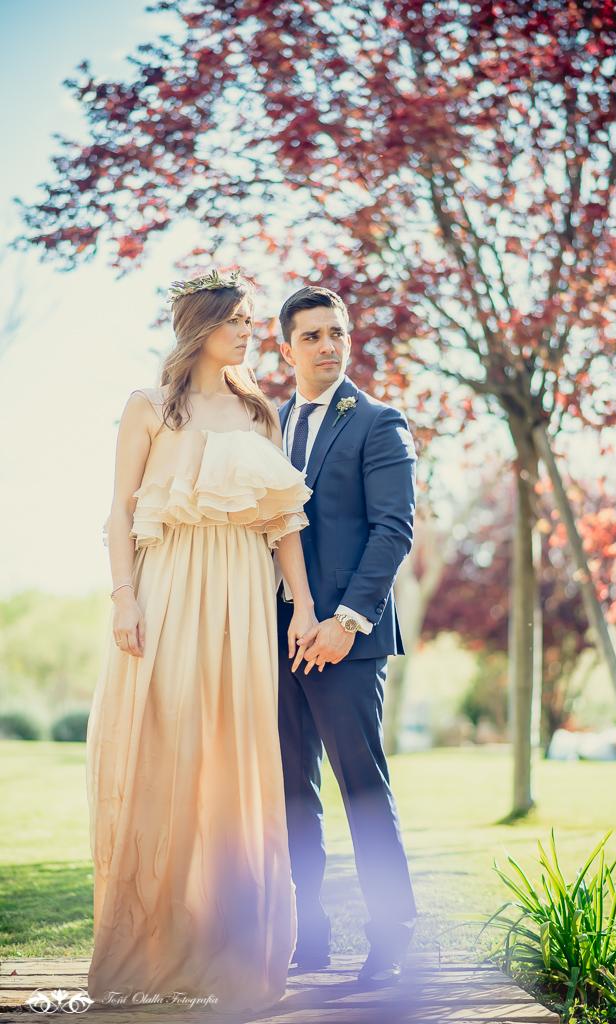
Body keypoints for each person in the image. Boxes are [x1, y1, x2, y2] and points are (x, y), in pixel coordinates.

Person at [86, 269, 316, 1014]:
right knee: (168, 748)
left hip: (243, 595)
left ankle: (234, 945)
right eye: (235, 320)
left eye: (250, 319)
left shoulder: (259, 413)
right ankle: (154, 944)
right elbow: (120, 513)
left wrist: (304, 606)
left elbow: (283, 524)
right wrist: (124, 598)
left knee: (236, 759)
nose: (248, 331)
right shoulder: (149, 406)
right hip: (168, 587)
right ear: (200, 325)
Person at [275, 285, 418, 985]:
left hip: (349, 642)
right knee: (290, 793)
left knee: (362, 788)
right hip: (277, 636)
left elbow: (394, 531)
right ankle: (309, 935)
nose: (328, 345)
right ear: (287, 350)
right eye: (311, 336)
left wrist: (346, 622)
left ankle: (391, 939)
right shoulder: (266, 426)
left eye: (336, 333)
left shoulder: (378, 423)